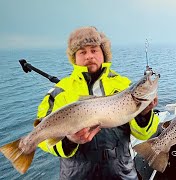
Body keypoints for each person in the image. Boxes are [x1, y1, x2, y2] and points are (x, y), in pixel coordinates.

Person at [36, 26, 160, 180]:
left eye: (94, 50)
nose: (89, 56)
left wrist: (145, 114)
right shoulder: (59, 92)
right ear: (74, 57)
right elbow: (42, 137)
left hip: (122, 174)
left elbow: (144, 133)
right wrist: (69, 141)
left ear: (104, 54)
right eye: (82, 52)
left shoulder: (123, 86)